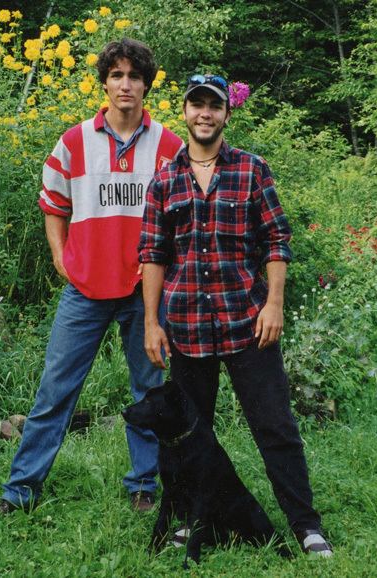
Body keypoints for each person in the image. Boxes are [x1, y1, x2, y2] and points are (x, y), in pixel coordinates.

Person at [138, 74, 333, 555]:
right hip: (186, 329)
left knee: (276, 427)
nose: (205, 114)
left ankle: (306, 525)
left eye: (214, 106)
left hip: (248, 324)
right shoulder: (164, 180)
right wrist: (151, 322)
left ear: (227, 113)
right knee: (189, 434)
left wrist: (274, 304)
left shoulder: (251, 169)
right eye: (196, 105)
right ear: (184, 112)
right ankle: (186, 520)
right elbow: (153, 254)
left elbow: (277, 240)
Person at [0, 38, 183, 515]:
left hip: (146, 293)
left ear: (147, 85)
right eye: (117, 75)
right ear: (105, 82)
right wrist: (61, 258)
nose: (126, 84)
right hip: (84, 289)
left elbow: (183, 216)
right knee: (55, 391)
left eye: (134, 76)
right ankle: (21, 491)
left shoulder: (169, 145)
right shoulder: (74, 141)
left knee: (149, 392)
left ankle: (144, 485)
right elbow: (53, 206)